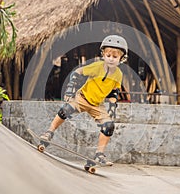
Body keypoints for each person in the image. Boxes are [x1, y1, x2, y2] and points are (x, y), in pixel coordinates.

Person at [39, 35, 128, 166]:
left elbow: (114, 91)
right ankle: (49, 133)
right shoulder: (97, 66)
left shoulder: (118, 74)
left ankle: (99, 154)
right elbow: (77, 73)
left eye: (115, 57)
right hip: (82, 98)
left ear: (122, 59)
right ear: (103, 54)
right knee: (66, 110)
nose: (111, 59)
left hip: (98, 105)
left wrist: (113, 107)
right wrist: (70, 90)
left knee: (109, 126)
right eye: (108, 55)